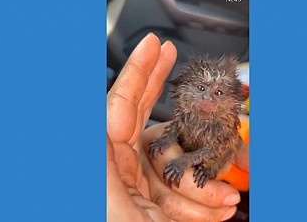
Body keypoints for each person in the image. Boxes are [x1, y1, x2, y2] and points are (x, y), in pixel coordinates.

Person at [107, 33, 249, 221]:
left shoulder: (224, 124)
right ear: (184, 87)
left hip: (211, 160)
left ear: (232, 101)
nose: (208, 97)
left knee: (213, 162)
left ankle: (205, 172)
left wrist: (183, 161)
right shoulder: (185, 111)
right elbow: (178, 126)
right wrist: (166, 139)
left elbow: (213, 149)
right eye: (201, 88)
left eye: (219, 92)